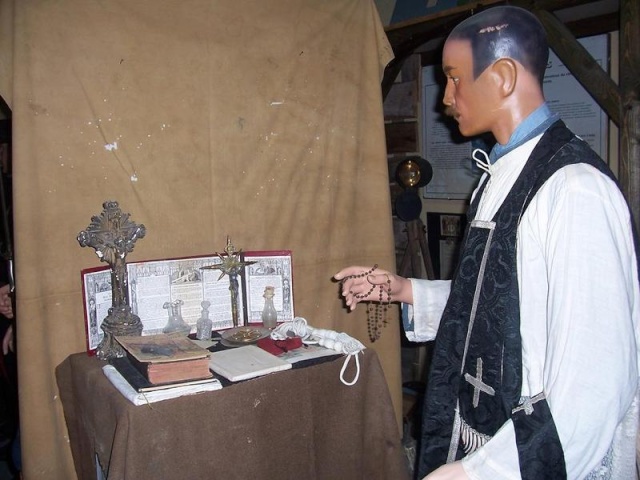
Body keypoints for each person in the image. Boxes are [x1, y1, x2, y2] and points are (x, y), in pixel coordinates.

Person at [335, 6, 639, 479]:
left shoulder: (574, 190)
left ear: (502, 77)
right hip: (483, 435)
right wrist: (405, 290)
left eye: (454, 78)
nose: (445, 97)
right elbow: (499, 307)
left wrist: (476, 473)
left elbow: (593, 385)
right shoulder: (499, 175)